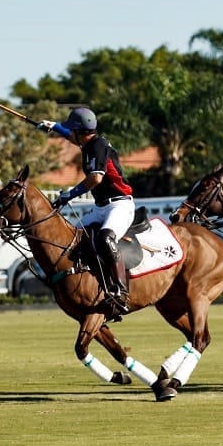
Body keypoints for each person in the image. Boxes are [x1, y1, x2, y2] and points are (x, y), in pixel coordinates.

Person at [37, 107, 135, 312]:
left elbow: (95, 179)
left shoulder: (98, 146)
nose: (70, 134)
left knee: (106, 238)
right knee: (72, 239)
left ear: (81, 132)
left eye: (72, 130)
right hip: (101, 207)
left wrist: (69, 195)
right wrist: (53, 126)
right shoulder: (88, 144)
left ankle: (120, 291)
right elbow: (71, 136)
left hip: (120, 204)